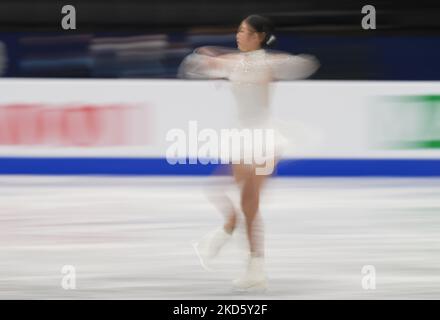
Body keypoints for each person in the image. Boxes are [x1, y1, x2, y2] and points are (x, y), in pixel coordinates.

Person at [179, 14, 319, 291]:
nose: (237, 35)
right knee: (220, 192)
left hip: (264, 139)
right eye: (238, 31)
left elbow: (307, 63)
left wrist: (275, 62)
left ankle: (255, 268)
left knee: (250, 204)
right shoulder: (233, 62)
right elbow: (192, 66)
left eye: (243, 31)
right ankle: (229, 231)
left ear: (257, 37)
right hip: (242, 139)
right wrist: (211, 59)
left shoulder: (266, 62)